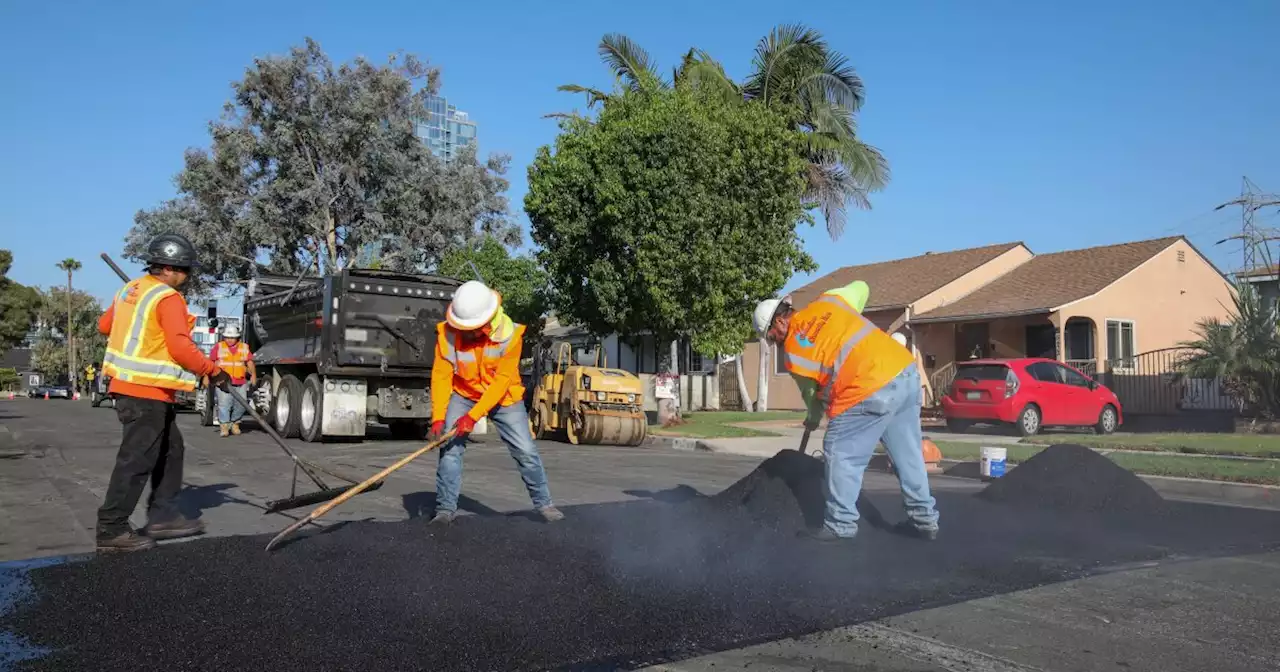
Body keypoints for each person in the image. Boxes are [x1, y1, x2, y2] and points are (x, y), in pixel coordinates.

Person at [753, 280, 939, 542]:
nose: (774, 344)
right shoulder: (831, 301)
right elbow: (863, 286)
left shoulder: (794, 352)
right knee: (908, 455)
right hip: (904, 374)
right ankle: (924, 521)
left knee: (840, 452)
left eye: (771, 337)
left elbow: (812, 398)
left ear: (780, 323)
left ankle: (840, 525)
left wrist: (812, 418)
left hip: (867, 387)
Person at [96, 233, 232, 552]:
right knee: (137, 459)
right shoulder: (167, 297)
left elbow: (105, 326)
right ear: (171, 268)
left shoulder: (131, 290)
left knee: (172, 449)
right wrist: (214, 371)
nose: (187, 277)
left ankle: (163, 516)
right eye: (186, 270)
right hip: (144, 389)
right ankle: (111, 529)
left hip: (142, 389)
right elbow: (180, 347)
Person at [428, 280, 563, 525]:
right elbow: (441, 375)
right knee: (449, 451)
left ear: (485, 322)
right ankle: (445, 510)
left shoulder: (510, 335)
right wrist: (438, 415)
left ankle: (545, 504)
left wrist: (473, 416)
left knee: (525, 450)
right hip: (464, 393)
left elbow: (501, 382)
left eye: (469, 327)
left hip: (504, 397)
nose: (464, 331)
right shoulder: (447, 334)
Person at [211, 323, 257, 437]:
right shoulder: (219, 347)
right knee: (224, 404)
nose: (230, 340)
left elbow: (249, 362)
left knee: (241, 404)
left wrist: (253, 375)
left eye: (232, 337)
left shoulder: (244, 347)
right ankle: (224, 426)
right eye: (227, 337)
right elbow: (211, 363)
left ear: (237, 337)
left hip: (240, 381)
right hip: (223, 382)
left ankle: (235, 423)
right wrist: (210, 377)